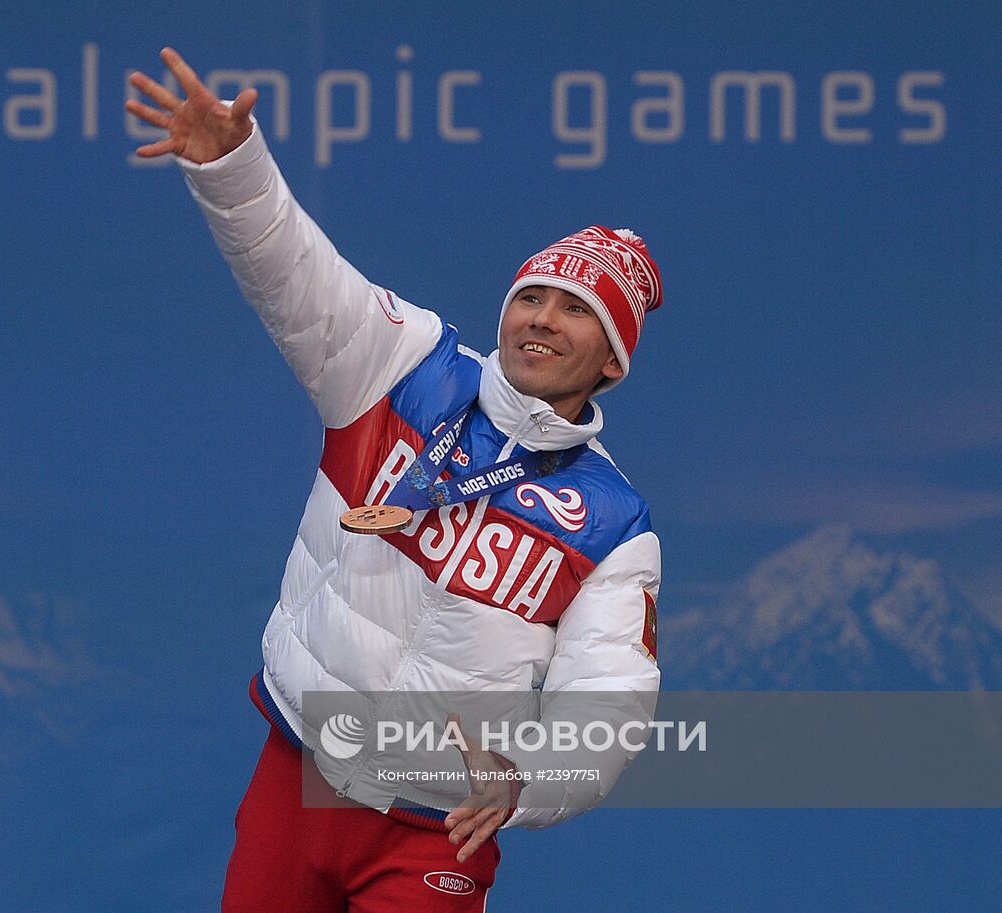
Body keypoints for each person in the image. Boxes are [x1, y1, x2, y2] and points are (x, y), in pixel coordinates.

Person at [127, 48, 663, 913]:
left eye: (576, 311)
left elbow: (609, 698)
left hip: (433, 830)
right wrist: (232, 170)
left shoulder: (614, 524)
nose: (542, 320)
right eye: (533, 297)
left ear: (612, 360)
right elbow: (299, 279)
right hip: (295, 776)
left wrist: (529, 778)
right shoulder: (406, 364)